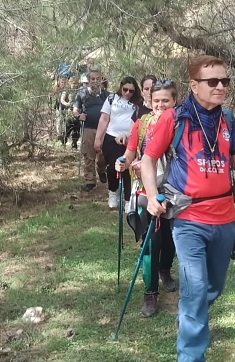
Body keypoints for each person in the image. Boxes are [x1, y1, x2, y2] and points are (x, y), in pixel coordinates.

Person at [140, 55, 235, 362]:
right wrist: (151, 195)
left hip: (225, 217)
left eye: (224, 81)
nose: (220, 87)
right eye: (212, 81)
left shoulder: (227, 120)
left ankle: (188, 318)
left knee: (212, 287)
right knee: (196, 288)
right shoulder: (173, 118)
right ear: (194, 85)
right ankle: (191, 354)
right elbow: (148, 159)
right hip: (188, 218)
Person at [115, 79, 178, 317]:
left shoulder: (181, 125)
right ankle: (150, 293)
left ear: (174, 101)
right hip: (144, 191)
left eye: (166, 101)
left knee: (171, 240)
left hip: (174, 192)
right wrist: (123, 163)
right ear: (150, 101)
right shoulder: (141, 124)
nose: (160, 105)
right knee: (151, 243)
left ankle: (165, 270)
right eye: (156, 101)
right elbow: (130, 153)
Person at [94, 76, 142, 208]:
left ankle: (127, 200)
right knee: (113, 167)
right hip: (111, 137)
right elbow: (104, 119)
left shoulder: (138, 103)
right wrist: (98, 138)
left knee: (127, 168)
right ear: (121, 87)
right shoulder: (111, 99)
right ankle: (112, 192)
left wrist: (129, 136)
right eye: (125, 89)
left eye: (131, 91)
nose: (127, 93)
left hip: (129, 138)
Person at [73, 65, 109, 191]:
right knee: (88, 155)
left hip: (104, 129)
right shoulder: (82, 93)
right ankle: (90, 181)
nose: (95, 81)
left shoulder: (107, 95)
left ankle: (101, 169)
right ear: (88, 79)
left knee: (104, 154)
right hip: (88, 127)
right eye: (92, 79)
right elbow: (75, 110)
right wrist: (79, 116)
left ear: (101, 79)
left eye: (97, 79)